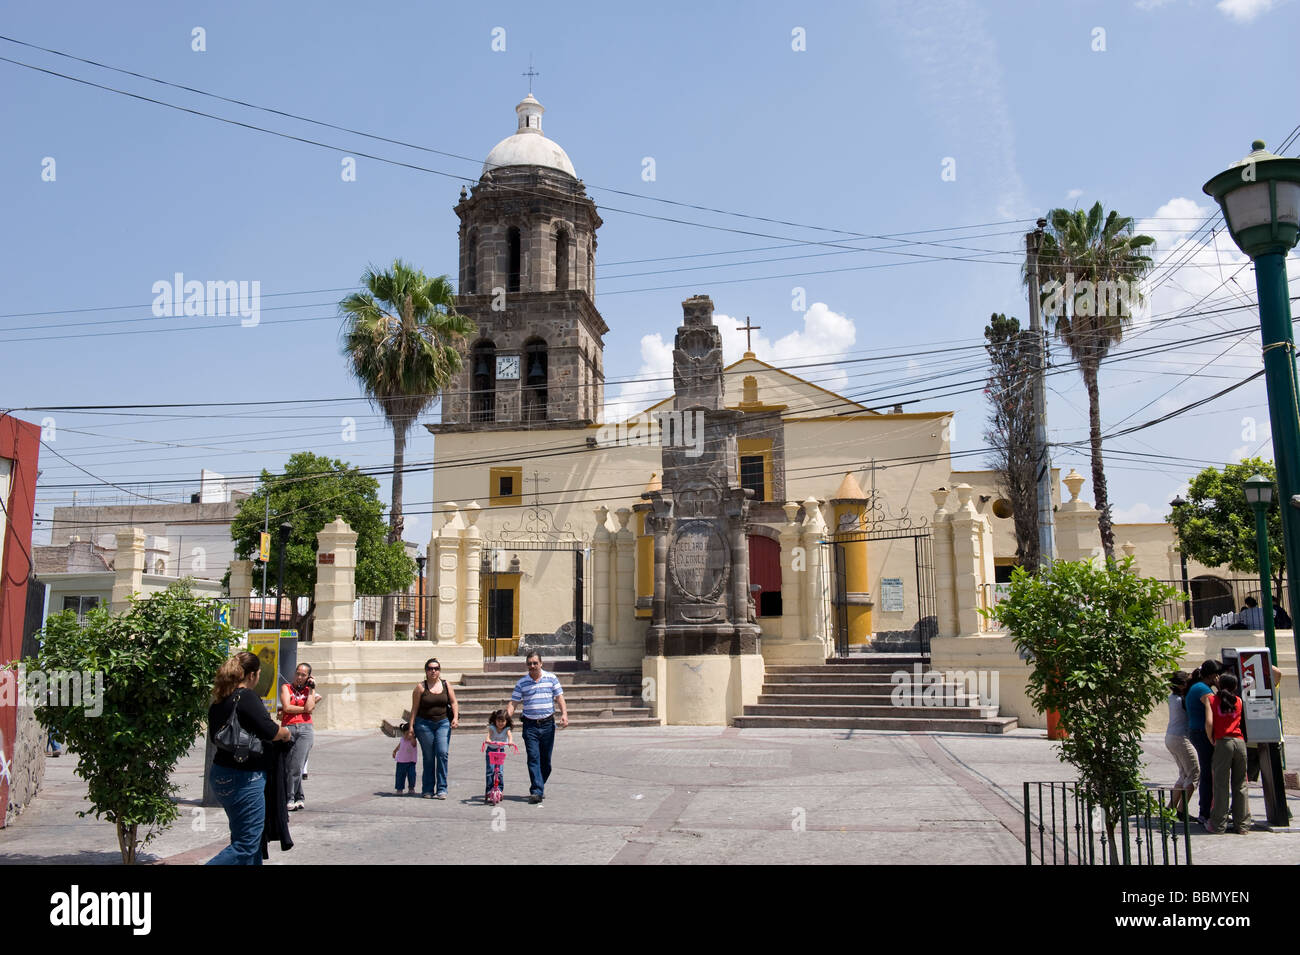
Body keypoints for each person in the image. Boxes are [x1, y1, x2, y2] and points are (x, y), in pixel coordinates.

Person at [207, 651, 290, 865]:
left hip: (221, 774)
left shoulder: (220, 698)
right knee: (246, 843)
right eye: (259, 673)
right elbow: (271, 731)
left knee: (246, 838)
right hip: (245, 777)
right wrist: (286, 732)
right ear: (252, 675)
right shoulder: (247, 697)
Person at [507, 652, 568, 804]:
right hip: (530, 726)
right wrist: (505, 721)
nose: (532, 666)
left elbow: (559, 697)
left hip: (548, 724)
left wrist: (564, 714)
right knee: (533, 758)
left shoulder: (551, 678)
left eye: (535, 663)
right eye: (529, 664)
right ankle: (537, 791)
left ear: (541, 663)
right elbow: (513, 703)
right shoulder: (522, 683)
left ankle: (539, 784)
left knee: (546, 762)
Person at [1204, 673, 1252, 834]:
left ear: (1219, 684)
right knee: (1240, 784)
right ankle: (1243, 825)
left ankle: (1218, 824)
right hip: (1239, 742)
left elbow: (1209, 722)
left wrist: (1211, 738)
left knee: (1220, 784)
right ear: (1235, 686)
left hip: (1223, 742)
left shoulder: (1211, 700)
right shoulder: (1238, 701)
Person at [405, 658, 458, 798]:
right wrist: (411, 727)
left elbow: (453, 702)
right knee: (429, 757)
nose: (433, 671)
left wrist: (455, 718)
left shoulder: (446, 685)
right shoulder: (420, 687)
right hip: (424, 725)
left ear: (439, 670)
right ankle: (428, 789)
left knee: (442, 753)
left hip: (443, 723)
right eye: (430, 668)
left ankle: (442, 788)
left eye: (436, 668)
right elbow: (414, 709)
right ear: (426, 671)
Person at [1184, 659, 1221, 831]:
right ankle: (1205, 811)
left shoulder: (1197, 687)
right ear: (1213, 675)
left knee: (1208, 772)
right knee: (1208, 773)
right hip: (1202, 733)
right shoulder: (1205, 691)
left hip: (1195, 731)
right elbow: (1216, 709)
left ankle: (1205, 810)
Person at [280, 663, 319, 811]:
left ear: (308, 677)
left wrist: (312, 689)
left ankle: (289, 798)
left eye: (303, 675)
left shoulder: (310, 690)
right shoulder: (286, 687)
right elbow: (287, 707)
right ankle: (299, 797)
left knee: (296, 765)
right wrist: (304, 709)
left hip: (305, 729)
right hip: (288, 728)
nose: (299, 677)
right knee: (288, 765)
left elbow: (310, 708)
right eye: (297, 673)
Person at [1164, 671, 1199, 823]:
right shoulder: (1183, 700)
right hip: (1181, 738)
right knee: (1194, 772)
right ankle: (1182, 810)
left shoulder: (1172, 698)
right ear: (1180, 685)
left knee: (1184, 773)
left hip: (1171, 736)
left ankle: (1171, 807)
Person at [484, 709, 514, 803]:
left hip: (500, 750)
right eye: (498, 721)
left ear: (506, 722)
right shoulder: (492, 728)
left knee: (499, 771)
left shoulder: (507, 729)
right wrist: (488, 740)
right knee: (490, 770)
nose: (500, 723)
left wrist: (510, 742)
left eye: (503, 721)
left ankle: (500, 790)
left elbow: (510, 736)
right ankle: (489, 790)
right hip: (491, 750)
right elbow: (488, 736)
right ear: (495, 721)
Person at [392, 721, 417, 795]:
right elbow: (400, 746)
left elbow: (414, 744)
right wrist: (395, 751)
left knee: (412, 775)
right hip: (401, 761)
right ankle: (399, 789)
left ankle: (411, 788)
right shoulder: (402, 739)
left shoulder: (413, 740)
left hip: (411, 762)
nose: (408, 736)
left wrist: (412, 737)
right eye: (406, 734)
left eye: (410, 734)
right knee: (400, 776)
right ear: (403, 733)